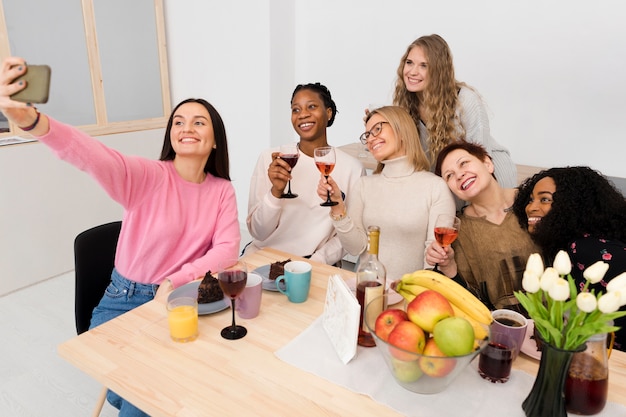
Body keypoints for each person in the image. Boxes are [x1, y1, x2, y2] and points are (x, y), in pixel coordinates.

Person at [0, 57, 241, 416]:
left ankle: (122, 388)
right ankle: (124, 390)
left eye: (198, 122)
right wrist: (36, 123)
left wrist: (176, 280)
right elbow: (92, 155)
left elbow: (227, 249)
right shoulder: (147, 176)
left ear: (216, 140)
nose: (186, 127)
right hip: (123, 301)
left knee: (188, 382)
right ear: (171, 135)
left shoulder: (222, 191)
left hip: (179, 300)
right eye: (178, 121)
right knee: (148, 396)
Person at [318, 106, 455, 284]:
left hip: (411, 294)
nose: (370, 138)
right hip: (366, 288)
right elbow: (355, 247)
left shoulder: (435, 187)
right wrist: (337, 207)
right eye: (367, 135)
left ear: (402, 130)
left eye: (377, 129)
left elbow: (433, 258)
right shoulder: (364, 185)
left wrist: (413, 295)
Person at [245, 82, 364, 265]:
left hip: (314, 263)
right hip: (263, 258)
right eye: (296, 109)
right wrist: (276, 192)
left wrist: (316, 262)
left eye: (312, 106)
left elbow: (349, 234)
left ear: (329, 112)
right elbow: (258, 232)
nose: (303, 115)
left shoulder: (352, 169)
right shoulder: (271, 159)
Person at [513, 166, 626, 350]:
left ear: (572, 205)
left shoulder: (584, 249)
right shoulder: (575, 245)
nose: (531, 207)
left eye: (545, 199)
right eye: (531, 199)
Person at [392, 34, 518, 188]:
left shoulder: (465, 100)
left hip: (490, 175)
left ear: (438, 71)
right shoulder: (407, 102)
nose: (412, 71)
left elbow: (481, 156)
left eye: (424, 65)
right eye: (409, 62)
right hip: (448, 178)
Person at [426, 141, 538, 311]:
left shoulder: (534, 201)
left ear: (488, 163)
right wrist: (448, 266)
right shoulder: (459, 231)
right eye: (449, 175)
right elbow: (469, 301)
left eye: (463, 163)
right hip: (500, 327)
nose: (459, 175)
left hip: (558, 324)